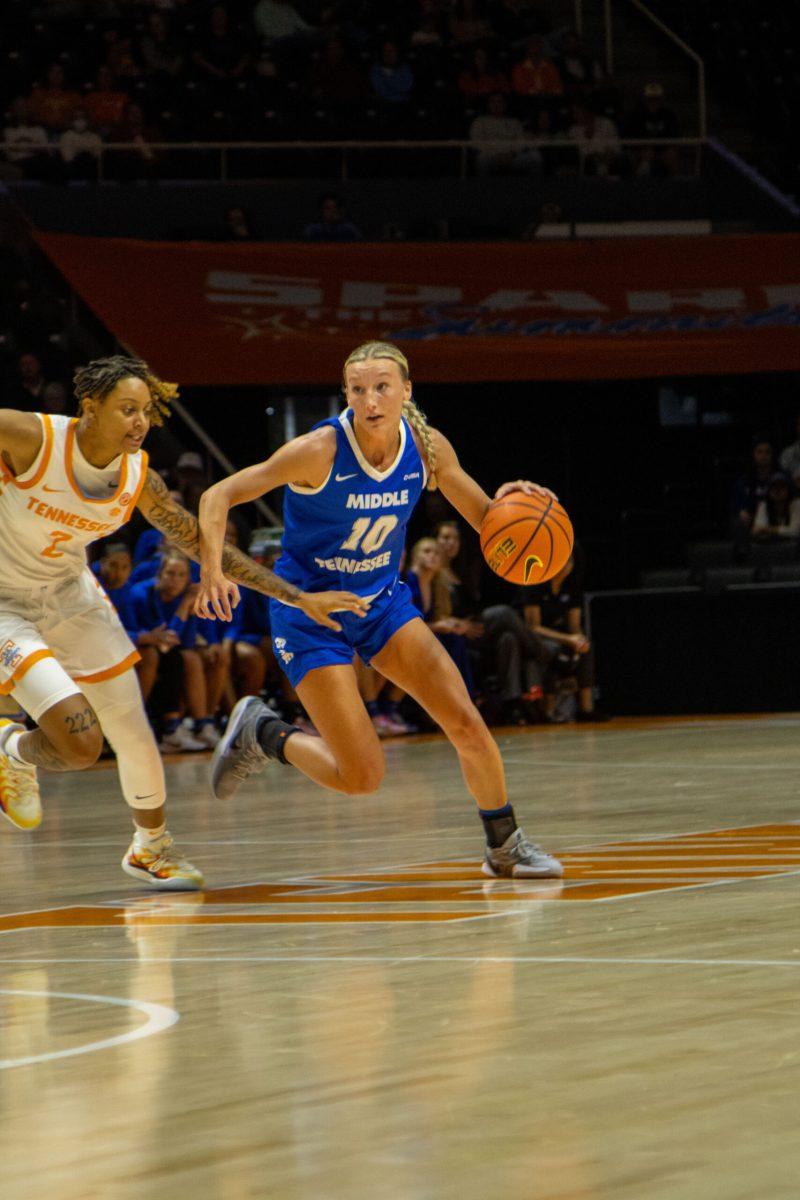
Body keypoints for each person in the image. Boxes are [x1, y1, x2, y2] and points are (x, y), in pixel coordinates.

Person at [196, 340, 563, 879]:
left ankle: (504, 845)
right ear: (346, 394)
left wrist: (515, 504)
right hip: (310, 611)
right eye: (358, 389)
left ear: (405, 391)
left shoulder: (427, 448)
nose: (370, 400)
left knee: (465, 719)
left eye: (382, 387)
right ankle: (265, 732)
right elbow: (217, 495)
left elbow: (489, 523)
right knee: (362, 776)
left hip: (381, 603)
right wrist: (212, 568)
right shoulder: (320, 450)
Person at [0, 355, 365, 887]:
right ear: (89, 407)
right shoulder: (31, 437)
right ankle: (11, 745)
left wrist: (296, 596)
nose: (140, 422)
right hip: (5, 602)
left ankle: (151, 846)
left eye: (146, 411)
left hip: (70, 594)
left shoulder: (138, 476)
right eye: (127, 409)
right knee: (80, 746)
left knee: (130, 726)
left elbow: (199, 541)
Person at [515, 551, 600, 722]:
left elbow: (574, 626)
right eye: (561, 561)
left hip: (560, 635)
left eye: (569, 561)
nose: (565, 565)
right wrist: (568, 639)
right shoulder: (535, 582)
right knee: (553, 649)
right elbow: (533, 627)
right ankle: (547, 709)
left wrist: (580, 639)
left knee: (586, 648)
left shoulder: (571, 587)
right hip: (532, 638)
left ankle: (586, 708)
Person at [752, 474, 800, 541]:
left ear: (789, 490)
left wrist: (770, 529)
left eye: (782, 487)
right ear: (768, 490)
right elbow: (758, 529)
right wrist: (784, 530)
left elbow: (796, 531)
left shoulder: (796, 504)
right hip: (770, 546)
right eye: (774, 487)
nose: (778, 490)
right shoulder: (763, 505)